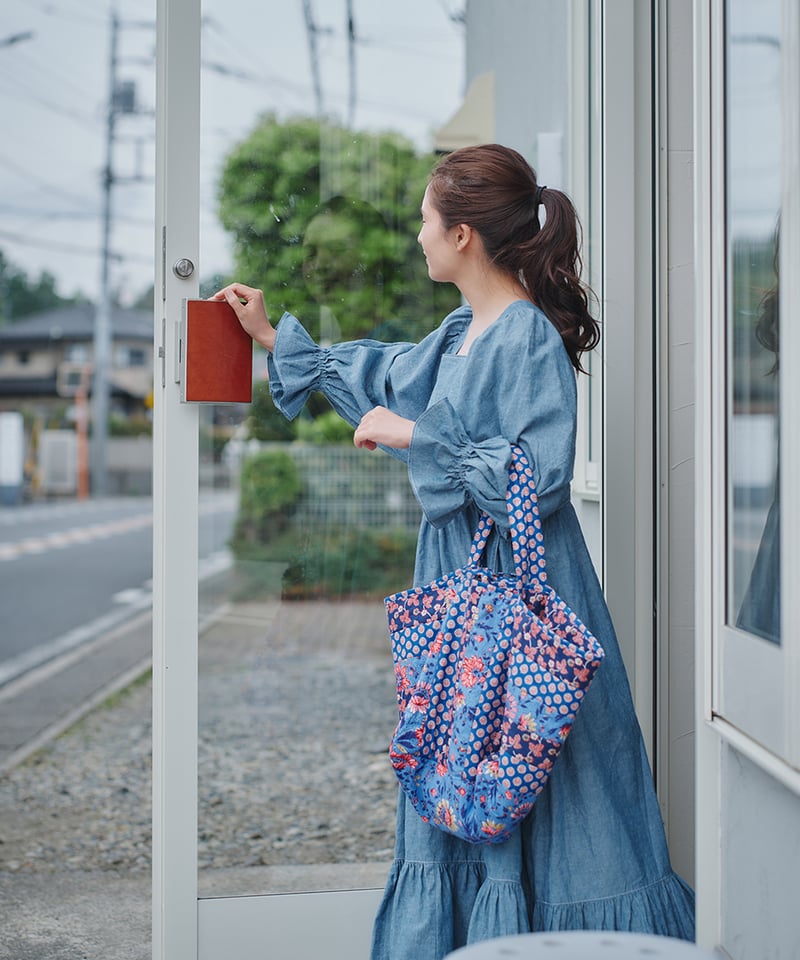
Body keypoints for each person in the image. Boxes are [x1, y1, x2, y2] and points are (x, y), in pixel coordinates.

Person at [211, 143, 695, 959]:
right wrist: (270, 339)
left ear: (464, 234)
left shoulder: (527, 338)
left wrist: (412, 436)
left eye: (426, 221)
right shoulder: (462, 331)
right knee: (467, 768)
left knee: (542, 775)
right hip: (464, 590)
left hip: (519, 595)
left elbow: (531, 478)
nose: (419, 236)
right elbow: (384, 374)